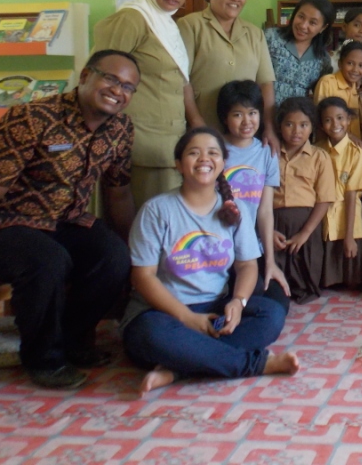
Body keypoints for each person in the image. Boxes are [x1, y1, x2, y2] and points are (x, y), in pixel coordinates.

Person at [0, 50, 140, 389]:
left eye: (128, 86)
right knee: (48, 260)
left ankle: (74, 340)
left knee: (113, 256)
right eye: (110, 78)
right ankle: (43, 358)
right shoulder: (32, 118)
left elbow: (118, 194)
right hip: (9, 225)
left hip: (67, 222)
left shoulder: (120, 129)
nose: (117, 90)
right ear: (85, 76)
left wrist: (136, 259)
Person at [122, 128, 297, 394]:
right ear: (178, 164)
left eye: (213, 153)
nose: (204, 159)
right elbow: (142, 277)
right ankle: (255, 364)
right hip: (163, 313)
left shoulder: (233, 208)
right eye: (194, 153)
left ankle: (179, 366)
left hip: (215, 307)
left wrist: (238, 302)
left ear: (223, 163)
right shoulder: (157, 210)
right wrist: (187, 318)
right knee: (151, 333)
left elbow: (247, 265)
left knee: (270, 314)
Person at [92, 0, 197, 208]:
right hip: (141, 143)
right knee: (144, 222)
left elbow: (178, 79)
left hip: (169, 140)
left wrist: (196, 122)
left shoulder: (166, 24)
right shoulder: (134, 18)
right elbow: (103, 75)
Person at [179, 0, 278, 150]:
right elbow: (181, 80)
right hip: (203, 128)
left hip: (245, 135)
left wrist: (269, 127)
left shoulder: (255, 33)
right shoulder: (190, 25)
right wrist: (196, 122)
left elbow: (266, 83)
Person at [215, 80, 284, 301]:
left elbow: (265, 211)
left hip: (252, 248)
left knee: (277, 301)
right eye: (238, 115)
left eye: (253, 113)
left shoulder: (267, 152)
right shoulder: (213, 150)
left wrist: (270, 262)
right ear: (225, 118)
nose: (247, 121)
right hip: (219, 244)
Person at [271, 97, 336, 303]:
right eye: (289, 124)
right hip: (273, 222)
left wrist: (304, 233)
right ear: (279, 126)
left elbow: (324, 199)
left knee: (304, 266)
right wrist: (267, 230)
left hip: (306, 224)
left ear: (312, 128)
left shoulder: (320, 157)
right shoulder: (269, 154)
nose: (296, 131)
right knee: (273, 276)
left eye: (303, 125)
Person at [317, 97, 362, 289]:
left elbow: (351, 194)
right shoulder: (318, 149)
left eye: (340, 118)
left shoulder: (357, 152)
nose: (335, 124)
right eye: (328, 120)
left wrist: (349, 237)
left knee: (352, 283)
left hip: (349, 220)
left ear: (348, 120)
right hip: (324, 217)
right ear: (321, 125)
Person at [265, 0, 335, 108]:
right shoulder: (270, 38)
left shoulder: (323, 59)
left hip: (296, 122)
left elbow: (325, 91)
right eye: (301, 16)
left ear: (323, 27)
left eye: (312, 22)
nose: (303, 25)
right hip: (260, 117)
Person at [313, 40, 362, 140]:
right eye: (350, 63)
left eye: (361, 65)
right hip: (329, 147)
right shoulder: (327, 82)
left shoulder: (358, 87)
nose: (355, 70)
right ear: (340, 63)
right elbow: (319, 120)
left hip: (352, 149)